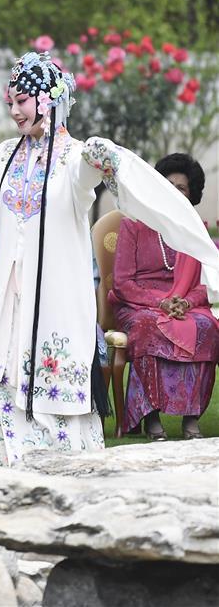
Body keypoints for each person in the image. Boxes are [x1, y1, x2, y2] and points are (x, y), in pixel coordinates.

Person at [0, 51, 219, 466]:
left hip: (59, 295)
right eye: (10, 102)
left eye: (21, 101)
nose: (13, 111)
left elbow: (103, 174)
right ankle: (10, 461)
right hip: (14, 295)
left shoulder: (74, 160)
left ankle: (68, 465)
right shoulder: (4, 157)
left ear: (49, 100)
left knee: (58, 370)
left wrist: (102, 157)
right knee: (11, 371)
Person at [110, 153, 219, 440]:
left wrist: (185, 302)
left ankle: (191, 419)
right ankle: (151, 417)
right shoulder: (134, 223)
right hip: (138, 304)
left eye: (180, 187)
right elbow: (122, 283)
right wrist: (160, 302)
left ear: (190, 194)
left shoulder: (195, 229)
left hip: (185, 305)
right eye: (167, 184)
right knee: (149, 325)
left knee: (207, 328)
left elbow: (202, 284)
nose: (173, 191)